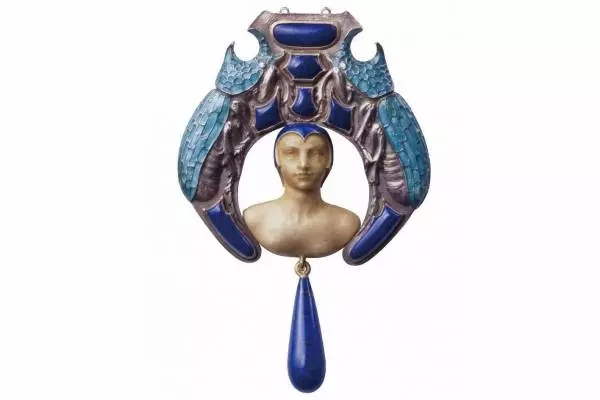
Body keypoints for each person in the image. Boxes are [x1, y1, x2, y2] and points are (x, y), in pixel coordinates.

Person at [243, 123, 360, 258]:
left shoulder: (346, 223)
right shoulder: (255, 218)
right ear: (278, 159)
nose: (303, 164)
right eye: (291, 153)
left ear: (328, 160)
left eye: (315, 153)